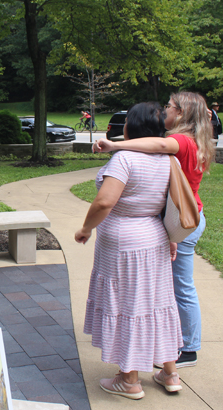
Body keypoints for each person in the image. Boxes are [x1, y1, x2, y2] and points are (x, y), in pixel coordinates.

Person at [93, 92, 215, 369]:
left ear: (182, 114)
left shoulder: (180, 141)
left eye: (170, 108)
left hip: (179, 220)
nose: (165, 113)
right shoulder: (197, 139)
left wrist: (114, 146)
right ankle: (173, 349)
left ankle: (186, 348)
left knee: (177, 288)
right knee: (172, 287)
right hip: (188, 215)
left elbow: (160, 144)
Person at [75, 102, 183, 400]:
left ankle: (129, 379)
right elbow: (168, 202)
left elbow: (104, 202)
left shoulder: (125, 159)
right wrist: (171, 236)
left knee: (128, 305)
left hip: (124, 241)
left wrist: (85, 228)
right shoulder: (167, 158)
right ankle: (170, 373)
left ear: (129, 127)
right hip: (155, 235)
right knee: (157, 301)